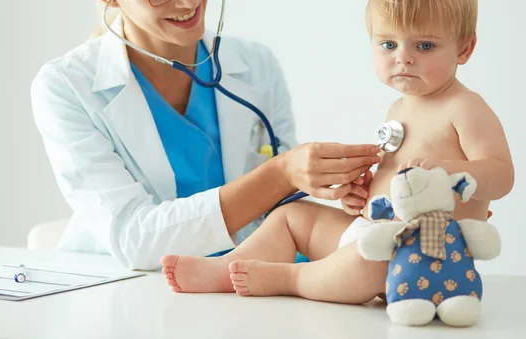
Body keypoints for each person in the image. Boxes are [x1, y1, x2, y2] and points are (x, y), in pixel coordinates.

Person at [161, 0, 514, 304]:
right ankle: (227, 268)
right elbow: (390, 186)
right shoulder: (399, 109)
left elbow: (501, 175)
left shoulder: (465, 108)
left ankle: (289, 279)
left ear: (464, 49)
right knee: (292, 215)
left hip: (420, 260)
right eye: (388, 44)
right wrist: (359, 195)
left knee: (371, 257)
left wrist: (445, 171)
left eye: (424, 46)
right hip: (370, 232)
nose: (403, 58)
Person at [30, 0, 381, 270]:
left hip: (246, 275)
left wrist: (334, 187)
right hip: (130, 290)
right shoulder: (65, 86)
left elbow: (277, 207)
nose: (187, 3)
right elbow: (134, 239)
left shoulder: (256, 64)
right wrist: (282, 173)